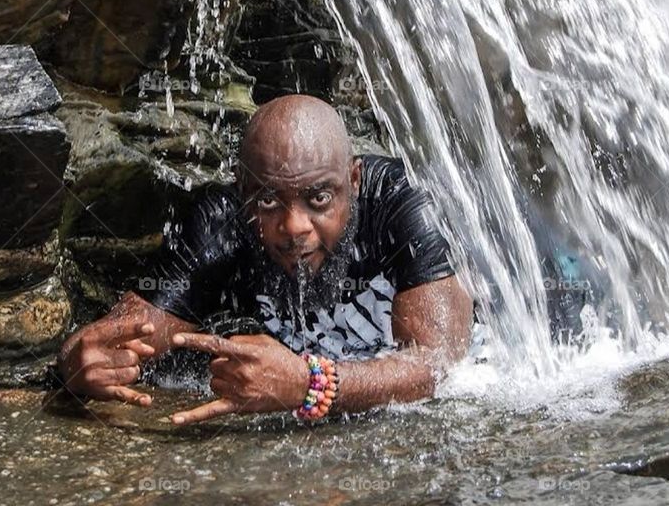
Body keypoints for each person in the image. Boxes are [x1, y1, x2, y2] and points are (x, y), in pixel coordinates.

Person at [55, 94, 474, 424]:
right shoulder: (221, 223)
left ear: (354, 179)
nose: (294, 227)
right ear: (242, 190)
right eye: (269, 199)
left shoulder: (400, 203)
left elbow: (438, 365)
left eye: (319, 198)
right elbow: (123, 334)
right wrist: (79, 361)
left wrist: (307, 385)